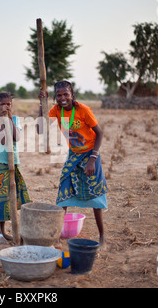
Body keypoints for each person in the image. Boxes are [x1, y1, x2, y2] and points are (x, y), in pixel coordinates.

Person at [37, 81, 108, 246]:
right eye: (59, 95)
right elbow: (40, 129)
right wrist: (42, 104)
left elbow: (99, 133)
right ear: (55, 97)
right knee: (63, 192)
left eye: (66, 94)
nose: (63, 98)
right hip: (73, 155)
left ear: (72, 95)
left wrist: (92, 159)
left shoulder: (83, 110)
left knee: (95, 195)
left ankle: (102, 235)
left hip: (90, 155)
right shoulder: (56, 111)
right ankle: (56, 235)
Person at [0, 92, 31, 241]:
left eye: (9, 104)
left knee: (9, 198)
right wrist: (2, 120)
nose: (6, 107)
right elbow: (4, 140)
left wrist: (10, 119)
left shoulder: (15, 120)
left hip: (13, 163)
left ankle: (5, 231)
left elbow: (16, 138)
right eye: (3, 104)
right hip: (0, 162)